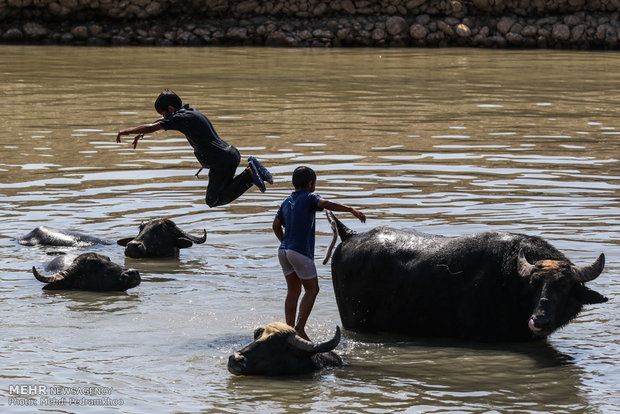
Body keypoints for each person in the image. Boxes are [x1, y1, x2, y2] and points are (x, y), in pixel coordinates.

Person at [116, 90, 272, 207]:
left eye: (163, 114)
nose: (163, 118)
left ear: (170, 109)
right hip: (228, 155)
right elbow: (159, 123)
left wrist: (126, 131)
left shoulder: (180, 118)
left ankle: (249, 174)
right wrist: (144, 130)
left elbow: (152, 127)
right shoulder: (189, 112)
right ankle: (250, 173)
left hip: (221, 161)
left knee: (213, 200)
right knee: (220, 193)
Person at [272, 166, 366, 341]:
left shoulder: (286, 202)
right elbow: (326, 204)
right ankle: (299, 330)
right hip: (299, 252)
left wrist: (285, 244)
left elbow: (276, 225)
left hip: (283, 251)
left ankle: (288, 330)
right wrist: (351, 209)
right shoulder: (309, 197)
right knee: (312, 289)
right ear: (310, 184)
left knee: (293, 291)